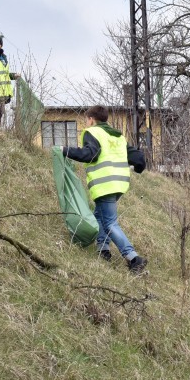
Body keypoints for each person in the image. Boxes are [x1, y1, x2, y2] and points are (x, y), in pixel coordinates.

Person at [62, 105, 147, 273]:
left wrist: (65, 150)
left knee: (109, 222)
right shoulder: (117, 136)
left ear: (91, 119)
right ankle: (103, 249)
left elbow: (89, 154)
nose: (86, 123)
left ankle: (133, 258)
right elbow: (139, 158)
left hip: (104, 184)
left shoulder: (92, 132)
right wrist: (137, 168)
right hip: (120, 184)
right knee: (99, 216)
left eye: (86, 120)